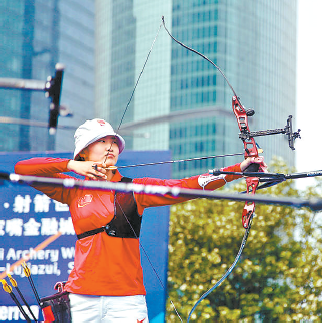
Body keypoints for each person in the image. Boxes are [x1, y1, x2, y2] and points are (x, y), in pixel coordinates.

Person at [14, 118, 267, 323]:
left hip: (126, 300)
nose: (109, 146)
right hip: (81, 298)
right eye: (101, 142)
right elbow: (22, 169)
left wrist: (237, 170)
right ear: (84, 153)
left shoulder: (135, 189)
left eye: (112, 141)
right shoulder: (71, 189)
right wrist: (71, 165)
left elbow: (184, 186)